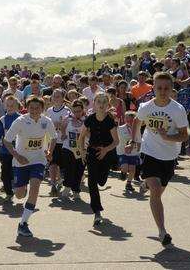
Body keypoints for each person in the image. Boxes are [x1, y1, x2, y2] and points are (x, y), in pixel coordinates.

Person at [132, 72, 189, 247]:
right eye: (159, 88)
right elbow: (137, 121)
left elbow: (185, 135)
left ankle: (146, 184)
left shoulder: (177, 110)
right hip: (150, 152)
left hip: (169, 156)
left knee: (158, 190)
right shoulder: (146, 107)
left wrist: (169, 138)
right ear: (153, 88)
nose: (163, 91)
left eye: (166, 88)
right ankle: (162, 232)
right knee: (156, 192)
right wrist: (134, 141)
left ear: (172, 89)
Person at [3, 96, 57, 237]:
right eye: (31, 108)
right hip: (21, 162)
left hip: (38, 161)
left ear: (42, 109)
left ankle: (23, 223)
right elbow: (7, 141)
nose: (34, 110)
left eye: (37, 108)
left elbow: (54, 137)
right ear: (27, 108)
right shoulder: (20, 121)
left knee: (35, 187)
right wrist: (17, 156)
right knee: (20, 195)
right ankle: (19, 186)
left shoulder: (47, 121)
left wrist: (50, 151)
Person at [78, 92, 119, 226]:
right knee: (92, 181)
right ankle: (97, 211)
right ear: (94, 104)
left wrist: (106, 150)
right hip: (92, 153)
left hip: (107, 153)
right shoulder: (89, 119)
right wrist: (83, 152)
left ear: (108, 104)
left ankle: (102, 180)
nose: (101, 105)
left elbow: (116, 141)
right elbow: (81, 137)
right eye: (98, 102)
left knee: (101, 181)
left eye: (104, 102)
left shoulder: (110, 120)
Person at [0, 95, 21, 201]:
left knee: (19, 171)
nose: (10, 107)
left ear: (17, 105)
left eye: (12, 105)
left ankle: (22, 187)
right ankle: (9, 193)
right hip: (5, 151)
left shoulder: (21, 118)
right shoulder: (2, 120)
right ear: (4, 106)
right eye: (8, 105)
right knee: (5, 174)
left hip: (19, 151)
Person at [45, 89, 71, 195]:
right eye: (54, 96)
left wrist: (59, 125)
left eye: (58, 96)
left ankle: (60, 180)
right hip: (52, 142)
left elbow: (69, 125)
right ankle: (53, 184)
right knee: (52, 163)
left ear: (63, 98)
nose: (55, 98)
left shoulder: (67, 111)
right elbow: (46, 125)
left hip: (63, 141)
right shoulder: (49, 111)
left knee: (61, 165)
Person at [60, 99, 86, 198]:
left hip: (82, 149)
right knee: (69, 169)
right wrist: (63, 134)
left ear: (83, 110)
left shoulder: (87, 120)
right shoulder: (67, 118)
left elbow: (90, 134)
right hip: (68, 147)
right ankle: (67, 187)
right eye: (74, 111)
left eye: (79, 111)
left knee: (79, 170)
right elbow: (62, 127)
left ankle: (76, 190)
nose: (77, 113)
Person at [116, 111, 141, 192]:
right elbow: (115, 137)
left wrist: (139, 148)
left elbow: (139, 139)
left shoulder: (137, 128)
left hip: (133, 152)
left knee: (133, 169)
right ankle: (123, 173)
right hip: (122, 151)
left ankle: (128, 184)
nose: (129, 121)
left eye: (131, 120)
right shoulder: (120, 128)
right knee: (125, 167)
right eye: (127, 119)